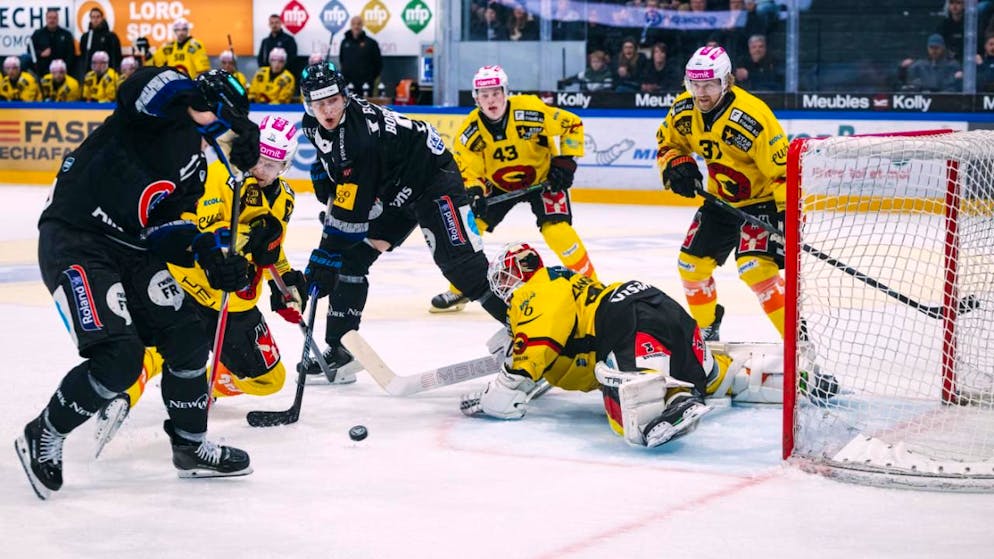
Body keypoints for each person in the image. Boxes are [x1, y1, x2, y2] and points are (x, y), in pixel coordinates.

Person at [14, 67, 261, 500]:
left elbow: (167, 229)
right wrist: (202, 101)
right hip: (76, 238)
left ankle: (189, 446)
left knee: (187, 338)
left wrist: (207, 256)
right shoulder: (156, 110)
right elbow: (140, 88)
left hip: (132, 249)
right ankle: (44, 432)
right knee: (119, 358)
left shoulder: (197, 166)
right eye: (224, 125)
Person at [93, 115, 305, 456]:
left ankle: (213, 380)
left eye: (274, 164)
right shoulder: (221, 177)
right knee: (159, 352)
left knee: (271, 381)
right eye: (260, 159)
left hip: (235, 302)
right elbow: (197, 230)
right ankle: (121, 395)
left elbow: (271, 251)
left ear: (286, 164)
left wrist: (287, 281)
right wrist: (249, 236)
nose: (263, 170)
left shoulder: (286, 199)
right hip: (191, 285)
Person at [298, 61, 507, 379]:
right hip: (391, 184)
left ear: (345, 97)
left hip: (431, 179)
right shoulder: (312, 125)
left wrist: (325, 255)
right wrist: (324, 173)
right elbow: (337, 165)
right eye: (319, 103)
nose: (327, 110)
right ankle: (342, 349)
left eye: (333, 101)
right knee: (351, 261)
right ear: (307, 104)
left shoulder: (361, 137)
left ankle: (524, 326)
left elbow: (354, 212)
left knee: (463, 269)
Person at [460, 243, 714, 447]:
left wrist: (500, 389)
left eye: (504, 278)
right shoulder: (563, 279)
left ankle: (674, 398)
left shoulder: (534, 290)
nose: (502, 287)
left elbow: (537, 345)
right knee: (696, 371)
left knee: (632, 409)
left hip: (623, 319)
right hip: (649, 302)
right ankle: (728, 375)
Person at [429, 65, 597, 313]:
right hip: (497, 186)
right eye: (484, 95)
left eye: (496, 93)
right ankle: (460, 288)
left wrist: (566, 161)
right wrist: (474, 191)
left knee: (557, 230)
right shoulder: (470, 131)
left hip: (543, 178)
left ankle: (592, 287)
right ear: (476, 99)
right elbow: (469, 169)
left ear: (506, 92)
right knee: (470, 229)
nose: (491, 100)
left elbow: (571, 124)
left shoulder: (530, 109)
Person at [655, 45, 790, 341]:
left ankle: (799, 345)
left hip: (763, 201)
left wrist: (787, 218)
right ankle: (707, 330)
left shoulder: (753, 118)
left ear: (726, 81)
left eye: (709, 84)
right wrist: (677, 164)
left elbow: (783, 172)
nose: (701, 93)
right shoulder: (683, 109)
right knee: (691, 266)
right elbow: (668, 142)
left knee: (756, 270)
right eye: (695, 84)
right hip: (722, 202)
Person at [898, 34, 963, 93]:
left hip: (945, 101)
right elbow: (905, 83)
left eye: (937, 48)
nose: (934, 50)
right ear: (927, 48)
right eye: (931, 47)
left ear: (943, 48)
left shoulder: (953, 65)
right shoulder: (919, 65)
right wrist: (902, 68)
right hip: (924, 101)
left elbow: (955, 89)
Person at [339, 16, 383, 95]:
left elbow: (378, 64)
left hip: (366, 86)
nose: (356, 26)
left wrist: (370, 78)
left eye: (358, 24)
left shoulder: (371, 43)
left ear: (362, 25)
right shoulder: (344, 42)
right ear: (351, 25)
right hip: (348, 84)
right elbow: (342, 60)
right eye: (353, 24)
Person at [77, 6, 122, 82]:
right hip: (91, 74)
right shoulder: (86, 37)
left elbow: (117, 56)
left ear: (102, 18)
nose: (95, 19)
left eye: (98, 17)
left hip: (108, 74)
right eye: (93, 17)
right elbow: (84, 56)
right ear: (90, 19)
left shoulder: (111, 36)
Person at [29, 8, 75, 78]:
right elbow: (30, 50)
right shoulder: (38, 33)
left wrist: (64, 67)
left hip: (61, 72)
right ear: (46, 19)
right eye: (50, 18)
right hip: (42, 72)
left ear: (58, 19)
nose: (52, 20)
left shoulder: (66, 34)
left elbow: (71, 54)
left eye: (54, 18)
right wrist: (40, 53)